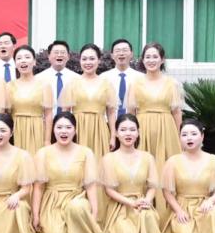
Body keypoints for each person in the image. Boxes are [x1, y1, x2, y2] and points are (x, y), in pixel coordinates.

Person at [100, 114, 187, 233]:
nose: (128, 134)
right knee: (124, 231)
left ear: (138, 132)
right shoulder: (109, 158)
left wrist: (147, 200)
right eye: (123, 130)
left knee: (148, 217)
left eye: (132, 130)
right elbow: (109, 190)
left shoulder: (147, 157)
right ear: (117, 133)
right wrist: (130, 203)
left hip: (143, 203)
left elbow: (152, 187)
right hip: (120, 207)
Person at [32, 111, 105, 233]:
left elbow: (90, 186)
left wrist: (94, 212)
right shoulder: (43, 153)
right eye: (59, 127)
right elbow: (38, 188)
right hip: (51, 203)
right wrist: (36, 215)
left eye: (68, 127)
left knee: (77, 207)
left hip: (76, 198)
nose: (63, 131)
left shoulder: (86, 152)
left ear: (75, 130)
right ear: (53, 130)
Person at [127, 42, 182, 172]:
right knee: (142, 168)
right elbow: (131, 113)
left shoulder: (172, 83)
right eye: (147, 57)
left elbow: (176, 112)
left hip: (166, 129)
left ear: (162, 60)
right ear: (143, 60)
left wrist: (179, 135)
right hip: (142, 129)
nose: (151, 60)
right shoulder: (135, 83)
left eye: (155, 57)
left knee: (167, 167)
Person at [59, 44, 117, 160]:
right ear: (80, 61)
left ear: (99, 60)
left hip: (99, 130)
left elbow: (111, 113)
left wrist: (113, 136)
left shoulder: (106, 84)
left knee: (98, 163)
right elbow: (65, 113)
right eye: (84, 59)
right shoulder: (72, 83)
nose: (88, 62)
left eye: (92, 59)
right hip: (78, 130)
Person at [8, 44, 53, 155]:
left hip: (36, 129)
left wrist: (47, 140)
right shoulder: (8, 86)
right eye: (19, 58)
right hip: (15, 130)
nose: (23, 61)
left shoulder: (44, 85)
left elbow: (48, 114)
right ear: (15, 63)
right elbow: (4, 113)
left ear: (34, 62)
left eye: (27, 57)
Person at [101, 38, 143, 117]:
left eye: (125, 50)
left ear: (131, 54)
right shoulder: (103, 78)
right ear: (112, 55)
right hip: (108, 121)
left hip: (134, 122)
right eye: (117, 51)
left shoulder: (141, 78)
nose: (121, 53)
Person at [35, 40, 79, 114]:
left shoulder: (77, 79)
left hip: (70, 119)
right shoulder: (38, 79)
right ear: (49, 56)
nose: (59, 55)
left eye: (62, 52)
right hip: (45, 119)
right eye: (56, 52)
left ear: (68, 56)